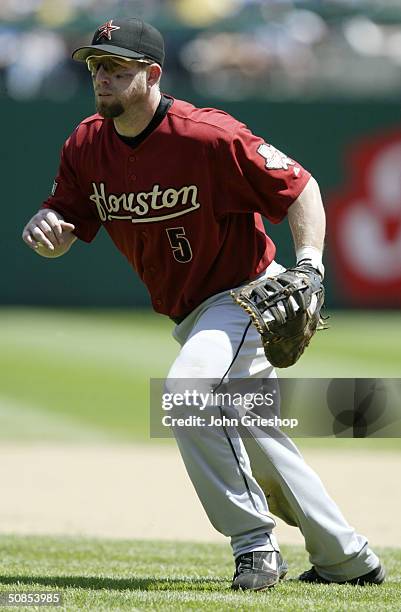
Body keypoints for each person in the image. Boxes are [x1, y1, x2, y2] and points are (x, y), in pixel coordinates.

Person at [22, 18, 385, 591]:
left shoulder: (206, 135)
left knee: (188, 393)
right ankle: (348, 559)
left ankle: (254, 547)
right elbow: (68, 215)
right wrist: (51, 227)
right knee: (258, 438)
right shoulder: (86, 144)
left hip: (245, 295)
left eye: (118, 68)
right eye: (96, 67)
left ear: (152, 75)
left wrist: (311, 265)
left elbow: (301, 186)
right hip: (191, 312)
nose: (103, 79)